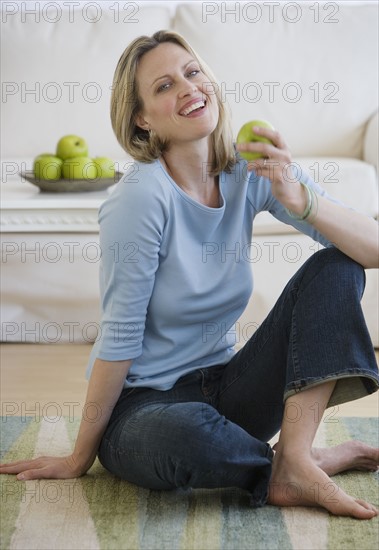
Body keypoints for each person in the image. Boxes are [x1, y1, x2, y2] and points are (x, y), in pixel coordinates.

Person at [1, 30, 379, 520]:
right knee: (188, 437)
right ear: (142, 118)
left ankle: (298, 457)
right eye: (163, 86)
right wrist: (80, 457)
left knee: (336, 265)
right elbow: (119, 336)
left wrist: (297, 196)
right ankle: (290, 466)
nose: (187, 87)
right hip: (144, 411)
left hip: (228, 386)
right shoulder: (140, 198)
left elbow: (369, 249)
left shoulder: (250, 168)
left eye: (192, 72)